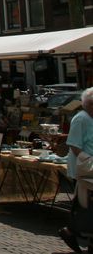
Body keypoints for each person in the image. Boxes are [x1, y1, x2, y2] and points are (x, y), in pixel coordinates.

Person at [60, 86, 93, 252]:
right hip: (84, 167)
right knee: (83, 203)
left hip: (89, 167)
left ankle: (77, 232)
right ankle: (72, 231)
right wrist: (88, 162)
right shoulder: (81, 118)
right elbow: (74, 145)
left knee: (84, 204)